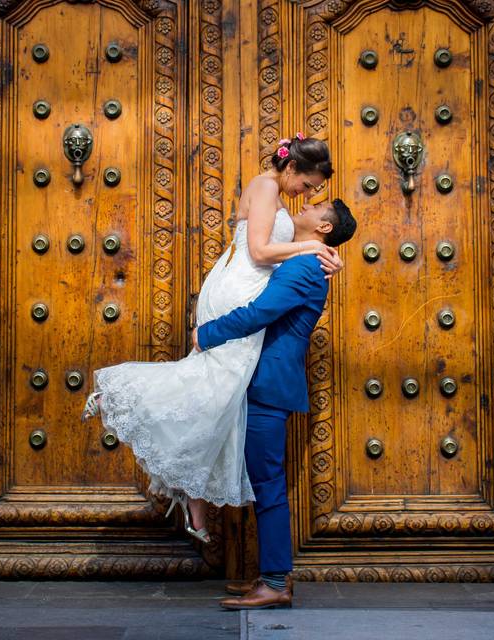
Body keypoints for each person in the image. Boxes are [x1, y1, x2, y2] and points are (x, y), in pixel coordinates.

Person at [82, 135, 342, 543]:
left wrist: (325, 251)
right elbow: (259, 251)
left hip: (243, 285)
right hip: (240, 287)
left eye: (312, 193)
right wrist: (312, 244)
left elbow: (292, 246)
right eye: (307, 184)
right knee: (219, 384)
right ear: (291, 168)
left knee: (221, 395)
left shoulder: (278, 196)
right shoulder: (266, 185)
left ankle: (192, 497)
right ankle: (115, 393)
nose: (306, 194)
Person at [192, 198, 357, 609]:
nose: (305, 204)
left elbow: (262, 311)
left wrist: (207, 333)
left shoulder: (305, 267)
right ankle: (269, 576)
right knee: (260, 480)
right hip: (256, 378)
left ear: (323, 227)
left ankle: (275, 582)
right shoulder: (302, 258)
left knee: (267, 483)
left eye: (316, 205)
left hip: (268, 381)